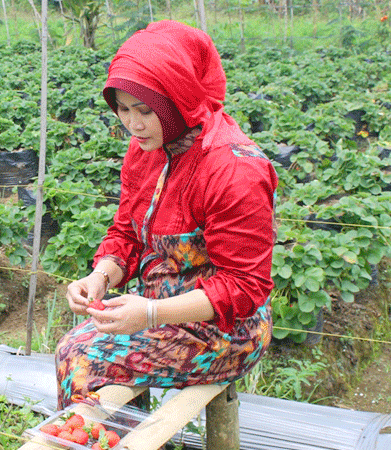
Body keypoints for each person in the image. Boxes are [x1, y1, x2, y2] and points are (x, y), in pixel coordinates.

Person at [55, 20, 278, 410]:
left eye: (145, 110)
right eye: (122, 109)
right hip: (157, 312)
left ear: (180, 98)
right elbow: (126, 232)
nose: (133, 124)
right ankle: (126, 433)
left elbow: (244, 286)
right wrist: (100, 276)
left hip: (227, 332)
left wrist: (153, 313)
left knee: (80, 355)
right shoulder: (146, 149)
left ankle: (109, 436)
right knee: (83, 348)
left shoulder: (235, 170)